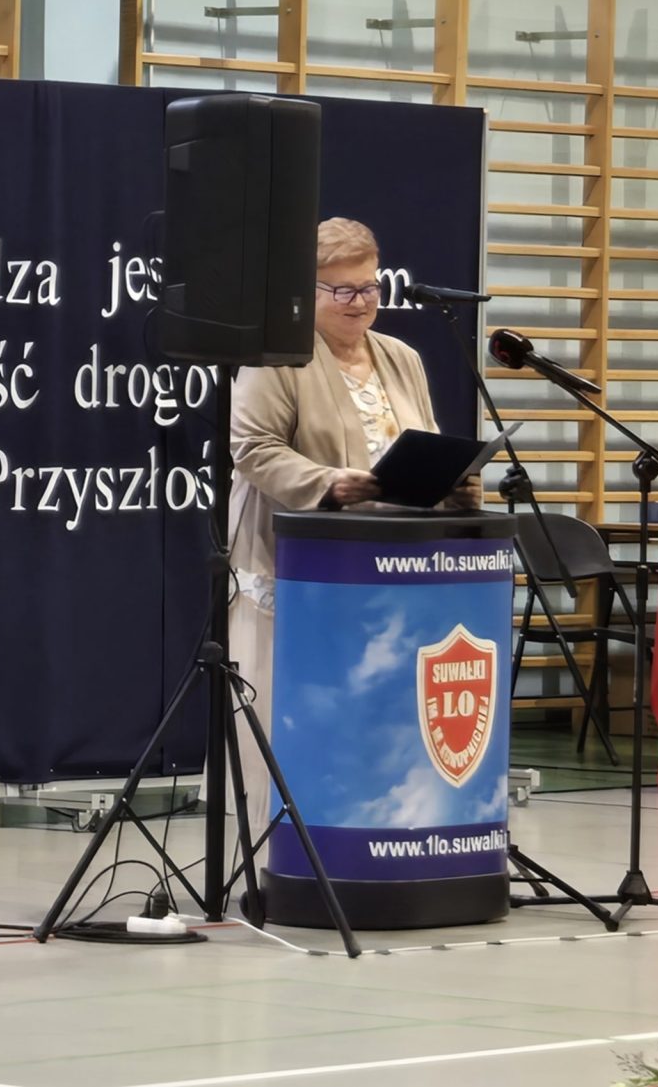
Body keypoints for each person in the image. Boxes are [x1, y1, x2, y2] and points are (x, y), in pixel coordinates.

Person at [228, 217, 478, 851]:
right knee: (290, 721)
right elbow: (252, 448)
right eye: (342, 290)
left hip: (390, 578)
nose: (360, 302)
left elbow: (419, 446)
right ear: (306, 291)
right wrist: (328, 483)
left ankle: (372, 852)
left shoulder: (403, 358)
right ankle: (276, 860)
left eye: (369, 287)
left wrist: (451, 487)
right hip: (298, 572)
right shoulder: (277, 356)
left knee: (375, 729)